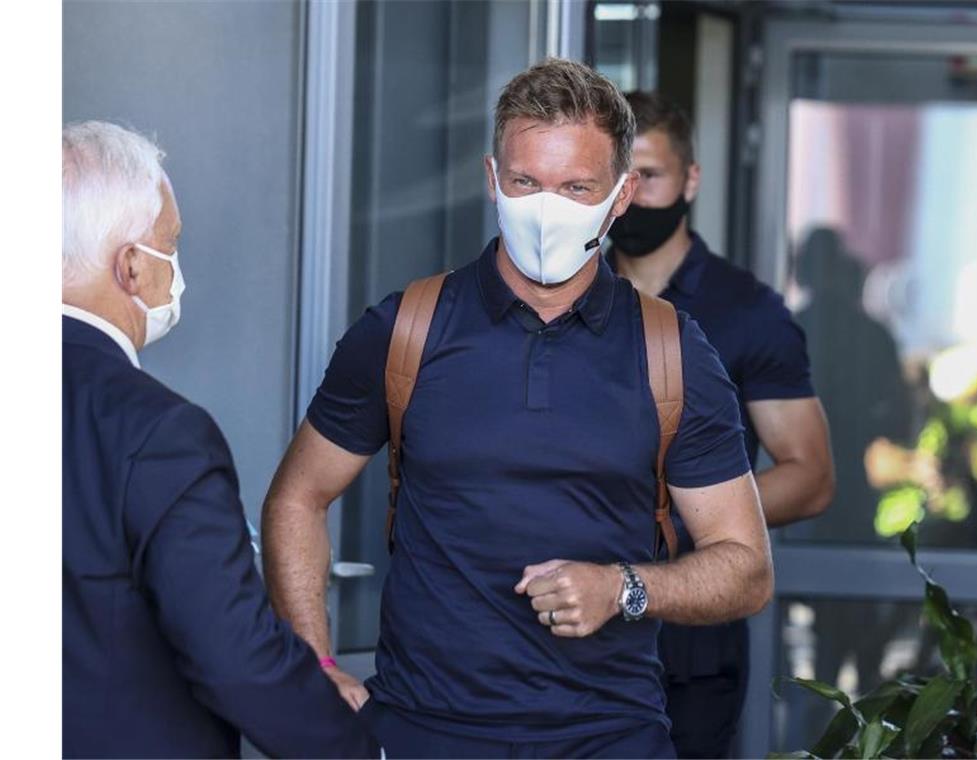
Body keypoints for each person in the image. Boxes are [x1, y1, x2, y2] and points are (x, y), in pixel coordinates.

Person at [262, 58, 774, 759]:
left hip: (609, 740)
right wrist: (316, 668)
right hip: (422, 735)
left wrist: (622, 587)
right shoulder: (405, 329)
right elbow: (297, 497)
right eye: (526, 182)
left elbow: (746, 567)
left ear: (620, 196)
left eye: (576, 187)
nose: (545, 208)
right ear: (492, 179)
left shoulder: (672, 353)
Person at [62, 121, 376, 758]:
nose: (174, 269)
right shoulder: (159, 434)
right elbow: (234, 657)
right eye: (169, 245)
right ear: (129, 265)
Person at [606, 92, 835, 758]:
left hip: (689, 643)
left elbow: (811, 478)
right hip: (564, 636)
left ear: (691, 180)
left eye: (649, 175)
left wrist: (685, 516)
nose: (633, 194)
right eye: (618, 178)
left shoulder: (746, 310)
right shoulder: (569, 292)